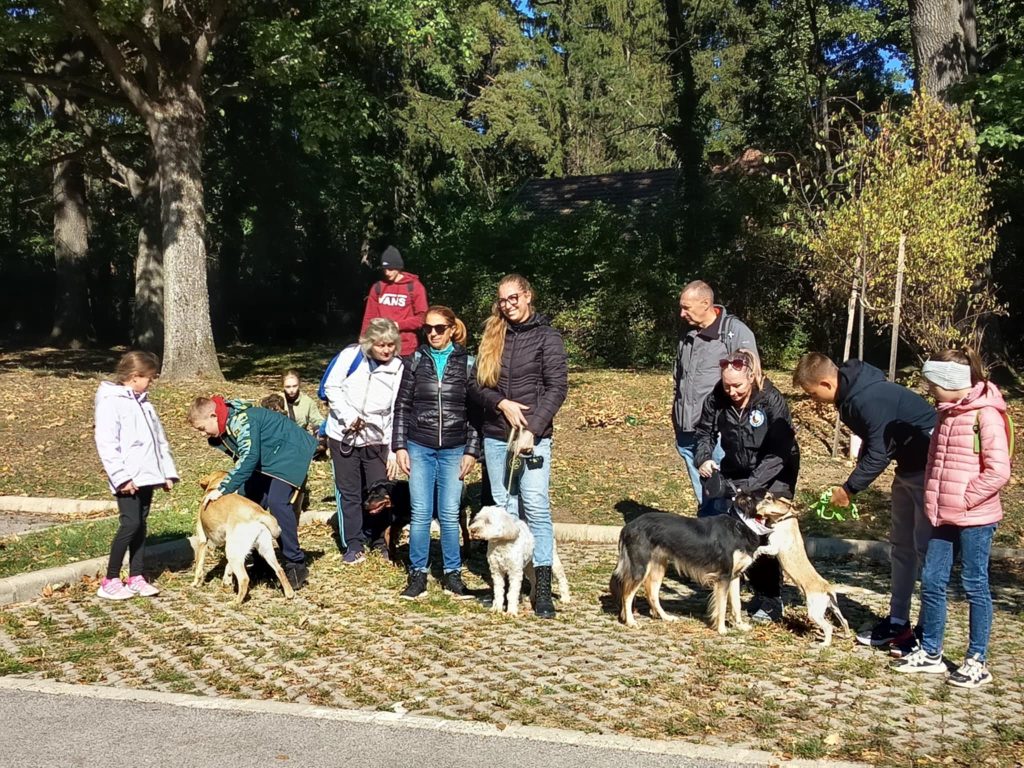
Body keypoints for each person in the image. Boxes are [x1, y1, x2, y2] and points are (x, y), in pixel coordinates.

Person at [793, 352, 936, 649]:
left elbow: (879, 452)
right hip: (908, 469)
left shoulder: (866, 397)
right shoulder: (851, 395)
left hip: (930, 471)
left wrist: (849, 489)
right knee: (902, 547)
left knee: (925, 552)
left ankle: (926, 632)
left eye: (812, 393)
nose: (813, 399)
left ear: (825, 382)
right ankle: (898, 621)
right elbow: (875, 439)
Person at [892, 349, 1011, 687]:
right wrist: (933, 500)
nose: (930, 391)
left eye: (934, 385)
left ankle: (977, 660)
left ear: (951, 382)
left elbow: (999, 472)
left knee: (975, 584)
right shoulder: (944, 414)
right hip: (942, 515)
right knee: (931, 579)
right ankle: (931, 652)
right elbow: (933, 464)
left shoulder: (985, 415)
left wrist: (963, 500)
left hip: (976, 517)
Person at [469, 274, 568, 618]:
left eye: (514, 298)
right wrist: (502, 404)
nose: (508, 305)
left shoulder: (547, 337)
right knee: (504, 505)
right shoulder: (493, 336)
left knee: (536, 507)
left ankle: (541, 588)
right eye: (502, 300)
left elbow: (557, 388)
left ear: (527, 296)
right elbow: (476, 386)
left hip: (533, 438)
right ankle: (509, 583)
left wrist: (533, 430)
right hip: (496, 434)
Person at [694, 349, 799, 623]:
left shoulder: (770, 400)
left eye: (738, 385)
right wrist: (704, 458)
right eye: (727, 384)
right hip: (737, 469)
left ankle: (771, 599)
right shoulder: (718, 397)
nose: (732, 391)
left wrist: (751, 488)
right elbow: (704, 432)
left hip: (776, 471)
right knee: (739, 529)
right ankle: (736, 585)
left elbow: (780, 451)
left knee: (762, 531)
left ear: (751, 377)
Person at [392, 305, 480, 599]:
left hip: (455, 448)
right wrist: (400, 446)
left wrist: (471, 451)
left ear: (452, 329)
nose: (432, 333)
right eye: (427, 329)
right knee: (419, 512)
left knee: (449, 513)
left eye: (439, 328)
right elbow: (402, 406)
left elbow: (475, 413)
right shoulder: (415, 361)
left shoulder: (468, 364)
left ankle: (453, 574)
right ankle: (418, 573)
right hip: (419, 445)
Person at [187, 396, 316, 590]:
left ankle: (295, 563)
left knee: (278, 501)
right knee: (248, 500)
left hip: (289, 452)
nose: (202, 434)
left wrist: (222, 489)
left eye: (202, 428)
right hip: (266, 460)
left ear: (214, 416)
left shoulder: (242, 420)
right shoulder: (224, 427)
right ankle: (260, 562)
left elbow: (248, 456)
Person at [94, 351, 178, 600]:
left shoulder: (145, 403)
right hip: (128, 478)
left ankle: (136, 576)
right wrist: (121, 477)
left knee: (141, 525)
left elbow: (159, 440)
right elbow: (107, 443)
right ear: (134, 376)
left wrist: (166, 473)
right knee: (130, 524)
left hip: (148, 475)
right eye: (149, 378)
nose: (151, 382)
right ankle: (110, 579)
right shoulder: (111, 402)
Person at [323, 317, 404, 564]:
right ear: (370, 343)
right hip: (343, 435)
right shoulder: (351, 356)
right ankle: (354, 544)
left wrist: (392, 449)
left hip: (376, 438)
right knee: (349, 493)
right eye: (381, 345)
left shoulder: (398, 367)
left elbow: (395, 410)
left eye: (391, 345)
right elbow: (331, 387)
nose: (386, 350)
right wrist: (349, 417)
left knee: (380, 490)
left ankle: (380, 539)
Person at [673, 280, 757, 508]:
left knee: (723, 497)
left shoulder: (734, 333)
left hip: (719, 434)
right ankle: (708, 534)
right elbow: (679, 379)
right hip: (687, 430)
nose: (682, 313)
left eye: (686, 308)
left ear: (706, 303)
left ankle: (726, 536)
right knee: (705, 498)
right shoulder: (687, 335)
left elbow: (751, 382)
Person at [360, 245, 429, 358]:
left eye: (391, 269)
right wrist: (363, 341)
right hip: (380, 348)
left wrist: (398, 325)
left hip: (406, 349)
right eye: (385, 269)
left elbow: (422, 318)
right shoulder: (377, 287)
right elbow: (369, 317)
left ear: (399, 268)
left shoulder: (415, 287)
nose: (387, 273)